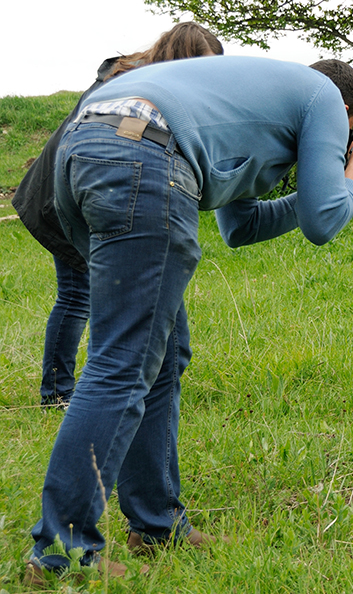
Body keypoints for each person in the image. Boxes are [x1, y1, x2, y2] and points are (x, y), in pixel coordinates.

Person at [25, 55, 353, 581]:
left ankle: (155, 525)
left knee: (162, 354)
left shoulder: (259, 101)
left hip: (84, 147)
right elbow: (324, 220)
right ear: (349, 115)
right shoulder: (325, 98)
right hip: (143, 157)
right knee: (121, 365)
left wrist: (317, 184)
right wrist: (350, 175)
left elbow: (239, 227)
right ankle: (61, 557)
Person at [12, 22, 224, 410]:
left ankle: (111, 389)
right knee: (79, 296)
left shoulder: (138, 78)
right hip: (77, 193)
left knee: (116, 295)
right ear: (183, 57)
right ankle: (60, 392)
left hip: (88, 189)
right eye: (202, 66)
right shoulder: (132, 84)